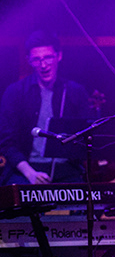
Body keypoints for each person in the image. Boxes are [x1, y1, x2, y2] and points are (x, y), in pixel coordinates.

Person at [0, 30, 98, 185]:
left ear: (58, 56)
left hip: (67, 169)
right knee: (15, 193)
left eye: (48, 58)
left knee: (85, 195)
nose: (43, 65)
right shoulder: (15, 92)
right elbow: (6, 141)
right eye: (36, 60)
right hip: (26, 168)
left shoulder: (75, 91)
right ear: (29, 60)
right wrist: (30, 173)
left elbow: (88, 135)